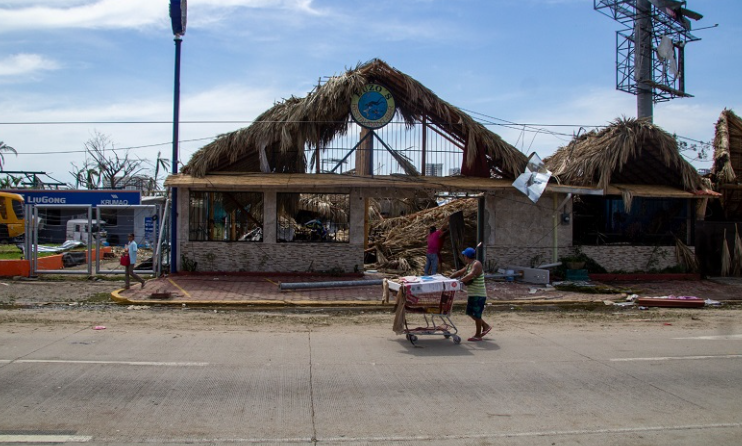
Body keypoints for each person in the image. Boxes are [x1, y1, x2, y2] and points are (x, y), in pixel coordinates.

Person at [450, 247, 492, 342]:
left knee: (477, 315)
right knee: (470, 313)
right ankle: (486, 326)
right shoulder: (469, 265)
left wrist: (459, 281)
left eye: (464, 255)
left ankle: (478, 335)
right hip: (472, 294)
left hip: (479, 294)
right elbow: (460, 272)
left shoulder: (477, 264)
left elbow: (471, 275)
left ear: (467, 256)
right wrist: (448, 278)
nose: (464, 257)